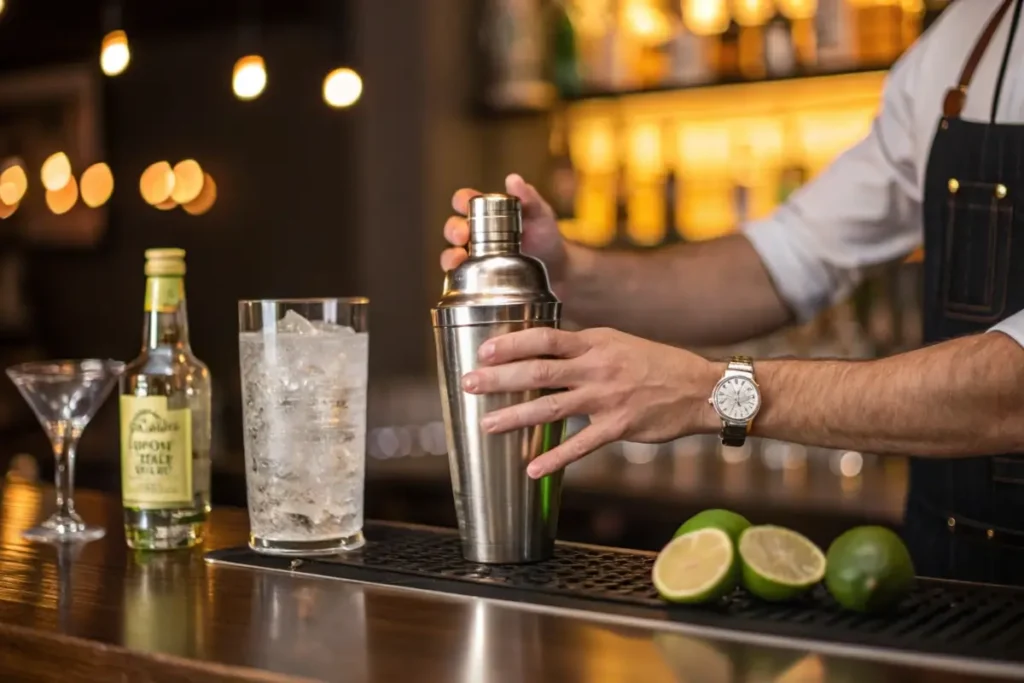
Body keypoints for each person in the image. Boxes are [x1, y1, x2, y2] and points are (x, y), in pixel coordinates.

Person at [439, 0, 1024, 585]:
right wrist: (564, 274)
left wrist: (713, 393)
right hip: (945, 575)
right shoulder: (965, 37)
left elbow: (1011, 389)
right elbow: (787, 256)